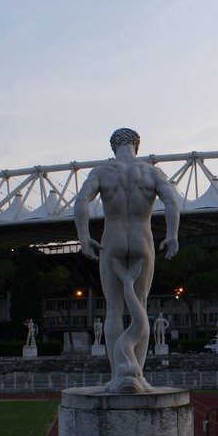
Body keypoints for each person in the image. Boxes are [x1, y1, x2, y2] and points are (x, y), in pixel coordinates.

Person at [75, 128, 180, 393]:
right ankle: (139, 376)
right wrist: (172, 235)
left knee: (113, 309)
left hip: (114, 240)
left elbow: (81, 200)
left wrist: (84, 236)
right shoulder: (152, 172)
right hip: (143, 240)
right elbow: (171, 202)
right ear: (137, 144)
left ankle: (116, 376)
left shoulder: (101, 172)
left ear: (113, 146)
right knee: (140, 307)